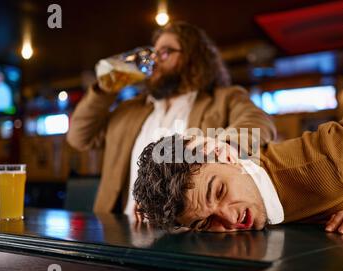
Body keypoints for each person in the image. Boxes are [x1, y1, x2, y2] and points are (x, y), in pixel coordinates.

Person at [133, 91, 343, 271]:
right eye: (205, 222)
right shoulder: (216, 203)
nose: (228, 218)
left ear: (228, 158)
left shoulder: (328, 163)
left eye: (219, 191)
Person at [66, 21, 276, 216]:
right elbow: (79, 138)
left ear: (193, 57)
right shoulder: (129, 110)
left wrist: (224, 148)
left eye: (165, 53)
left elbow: (258, 122)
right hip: (124, 227)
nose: (155, 60)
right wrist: (104, 90)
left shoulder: (224, 98)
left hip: (190, 231)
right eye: (154, 54)